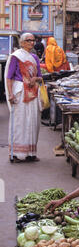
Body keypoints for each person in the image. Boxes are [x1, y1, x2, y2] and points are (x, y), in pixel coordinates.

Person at [5, 32, 43, 162]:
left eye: (33, 40)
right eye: (28, 40)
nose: (31, 43)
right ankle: (16, 154)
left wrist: (35, 79)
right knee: (20, 122)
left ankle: (30, 153)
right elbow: (9, 77)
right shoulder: (16, 56)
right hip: (20, 91)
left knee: (32, 121)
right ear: (22, 42)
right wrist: (10, 93)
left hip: (32, 92)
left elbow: (40, 76)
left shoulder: (35, 58)